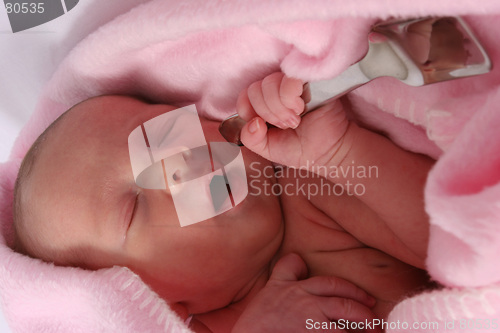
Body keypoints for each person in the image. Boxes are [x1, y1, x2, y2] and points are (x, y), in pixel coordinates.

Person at [12, 72, 434, 332]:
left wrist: (339, 153)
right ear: (156, 300)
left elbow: (446, 238)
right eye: (134, 208)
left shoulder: (306, 185)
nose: (170, 166)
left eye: (155, 134)